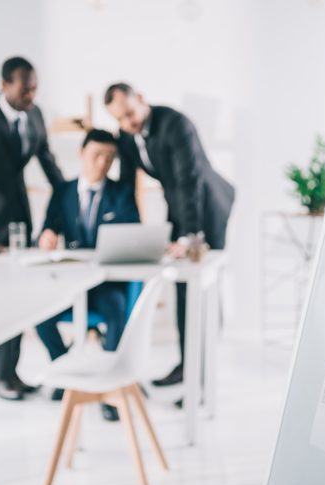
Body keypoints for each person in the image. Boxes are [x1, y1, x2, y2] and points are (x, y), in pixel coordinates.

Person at [105, 82, 235, 388]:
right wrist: (129, 234)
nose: (128, 123)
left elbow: (189, 181)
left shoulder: (175, 124)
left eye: (130, 113)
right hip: (178, 207)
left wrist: (191, 237)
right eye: (120, 119)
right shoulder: (126, 135)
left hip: (207, 206)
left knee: (201, 284)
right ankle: (187, 364)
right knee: (180, 287)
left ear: (141, 99)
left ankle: (201, 378)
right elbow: (126, 186)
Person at [0, 56, 64, 400]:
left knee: (21, 294)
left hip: (22, 216)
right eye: (25, 89)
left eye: (35, 88)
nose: (31, 96)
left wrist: (70, 197)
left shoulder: (34, 115)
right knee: (1, 298)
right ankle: (1, 377)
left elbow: (47, 161)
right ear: (4, 85)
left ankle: (13, 373)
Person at [36, 128, 140, 421]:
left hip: (106, 285)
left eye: (110, 158)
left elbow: (134, 235)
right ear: (81, 154)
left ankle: (110, 384)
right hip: (70, 285)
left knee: (118, 310)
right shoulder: (62, 191)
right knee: (41, 315)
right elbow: (46, 230)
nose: (102, 163)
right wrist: (45, 237)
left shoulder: (121, 193)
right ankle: (66, 373)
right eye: (97, 155)